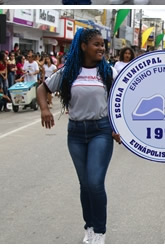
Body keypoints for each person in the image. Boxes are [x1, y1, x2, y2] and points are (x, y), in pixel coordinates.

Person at [37, 28, 118, 245]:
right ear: (83, 46)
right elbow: (42, 89)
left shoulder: (108, 72)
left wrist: (121, 129)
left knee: (94, 182)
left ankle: (100, 231)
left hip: (101, 130)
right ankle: (89, 226)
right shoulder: (69, 71)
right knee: (84, 184)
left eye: (103, 44)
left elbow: (125, 98)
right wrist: (45, 109)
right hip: (75, 133)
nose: (101, 48)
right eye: (97, 44)